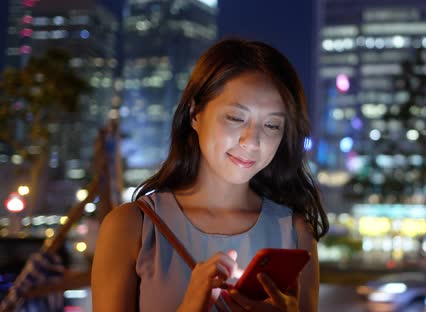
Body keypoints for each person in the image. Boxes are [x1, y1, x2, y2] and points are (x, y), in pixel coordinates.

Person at [91, 38, 329, 312]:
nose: (252, 141)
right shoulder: (132, 227)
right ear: (195, 113)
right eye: (236, 118)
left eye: (272, 125)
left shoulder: (295, 233)